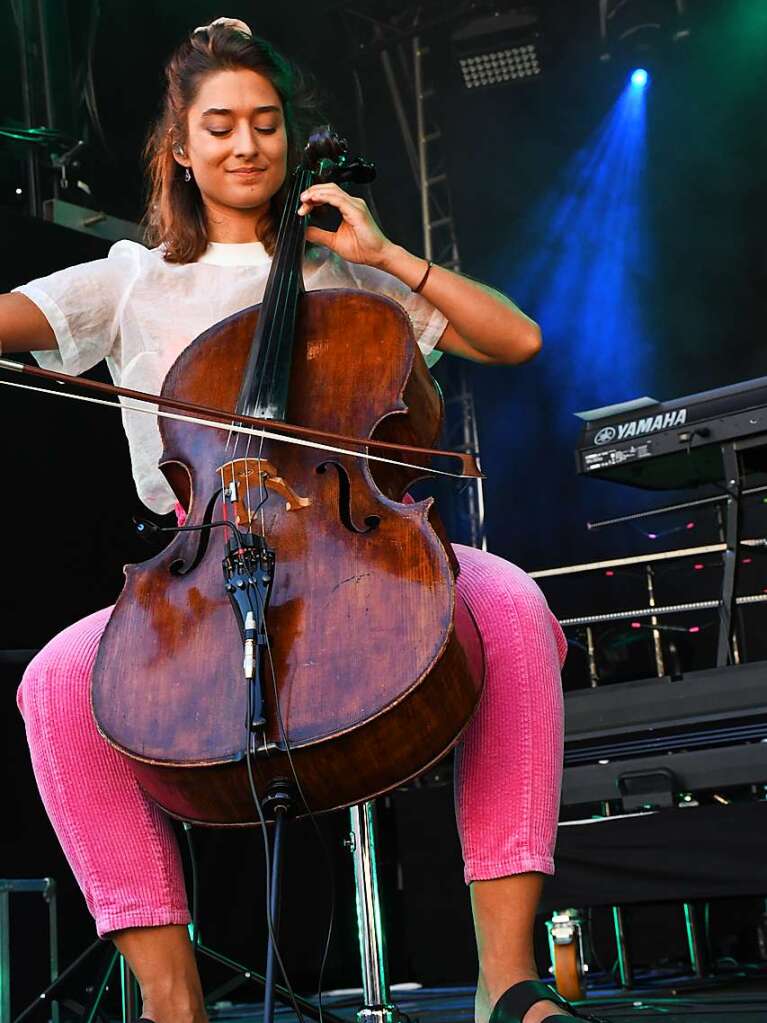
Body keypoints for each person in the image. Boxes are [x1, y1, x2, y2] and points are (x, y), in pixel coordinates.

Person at [0, 18, 606, 1023]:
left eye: (267, 125)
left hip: (358, 569)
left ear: (289, 141)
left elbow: (516, 337)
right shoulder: (130, 280)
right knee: (59, 680)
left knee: (505, 600)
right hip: (200, 588)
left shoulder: (349, 275)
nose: (247, 145)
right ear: (180, 150)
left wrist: (386, 254)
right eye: (222, 125)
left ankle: (508, 984)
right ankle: (170, 1000)